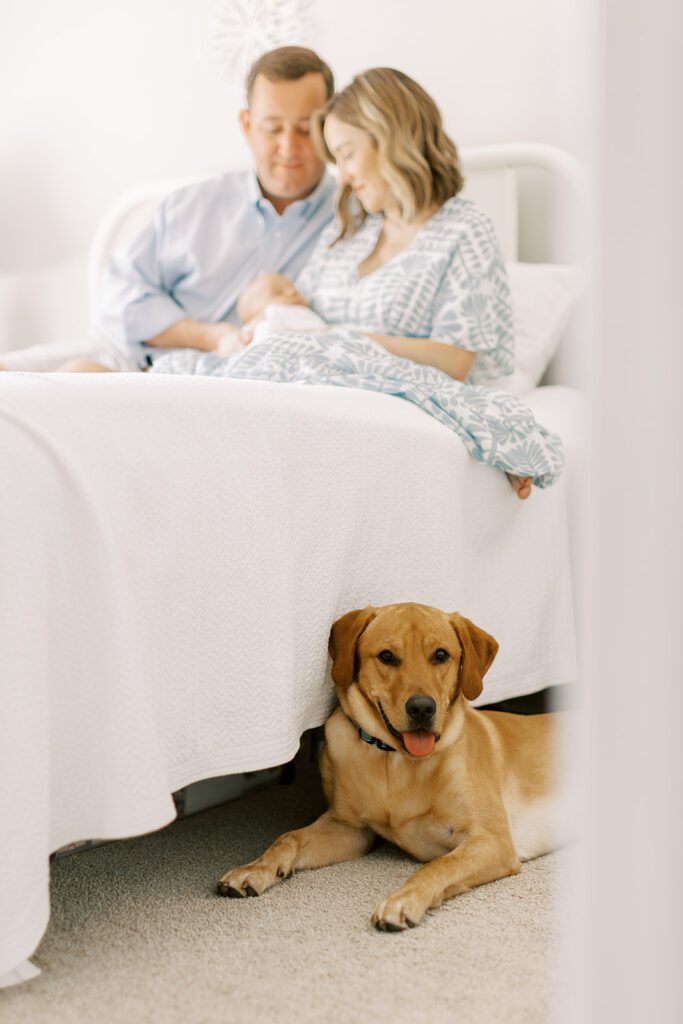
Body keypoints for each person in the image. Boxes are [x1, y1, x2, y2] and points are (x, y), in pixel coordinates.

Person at [152, 69, 548, 498]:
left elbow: (455, 363)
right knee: (129, 382)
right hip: (309, 394)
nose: (340, 176)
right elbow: (296, 317)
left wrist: (340, 339)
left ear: (389, 139)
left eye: (346, 154)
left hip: (370, 403)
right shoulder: (347, 232)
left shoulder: (463, 232)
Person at [0, 46, 336, 373]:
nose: (289, 147)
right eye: (273, 128)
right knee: (22, 378)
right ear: (247, 126)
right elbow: (119, 296)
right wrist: (208, 336)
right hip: (131, 356)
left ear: (329, 126)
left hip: (213, 385)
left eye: (306, 128)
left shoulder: (355, 219)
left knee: (70, 386)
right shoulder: (191, 205)